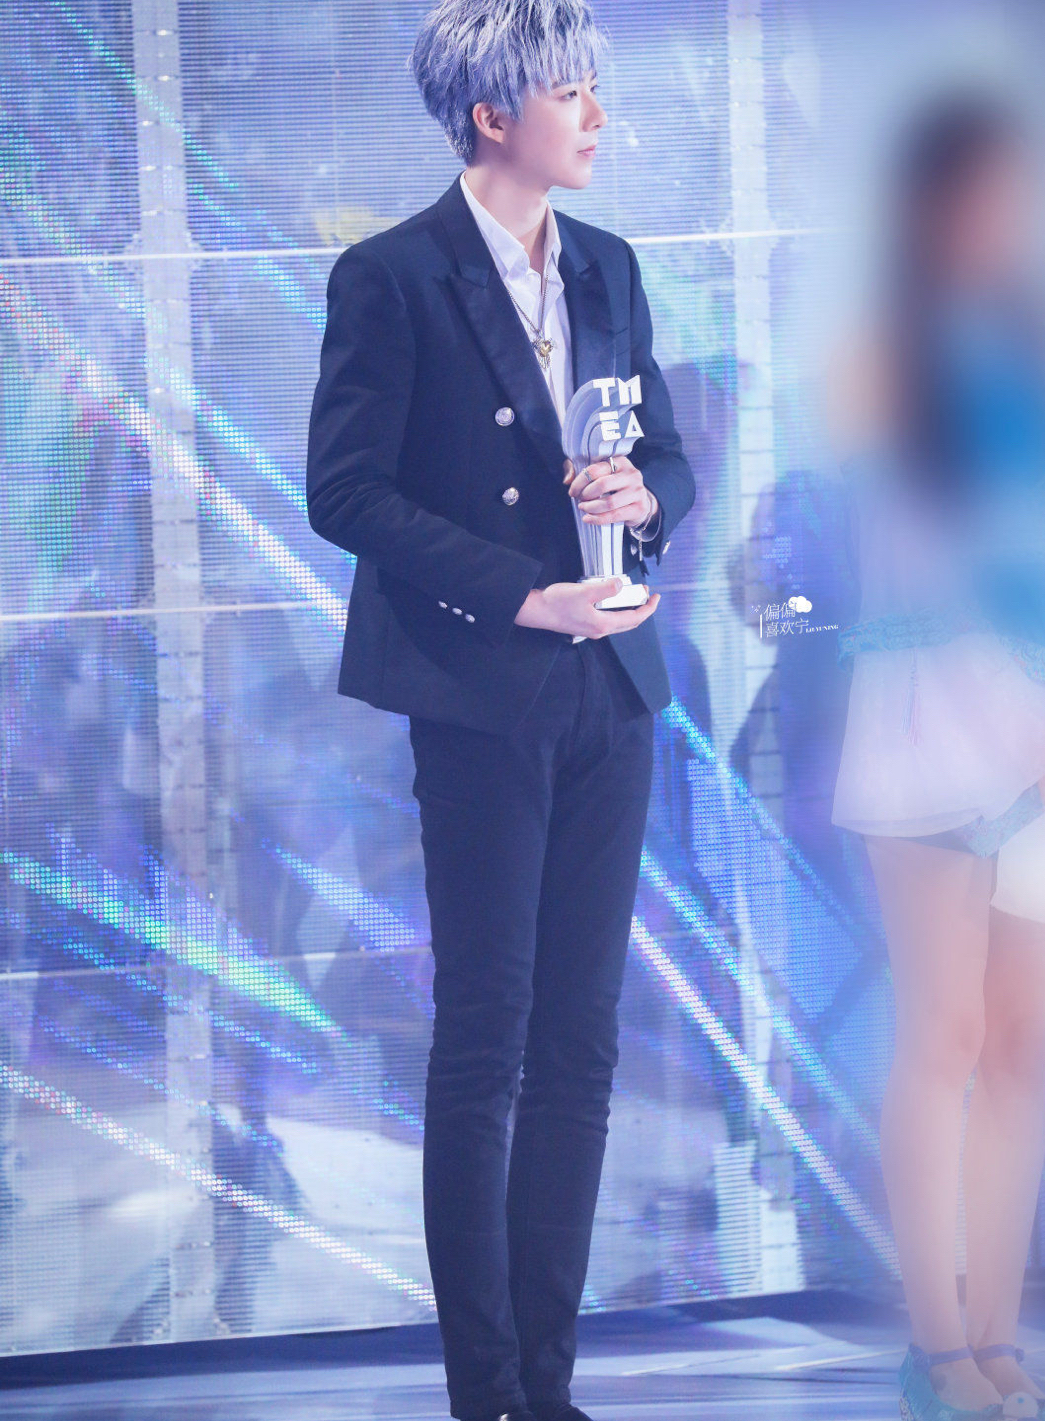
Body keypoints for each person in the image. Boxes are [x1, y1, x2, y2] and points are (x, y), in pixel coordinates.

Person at [305, 3, 695, 1418]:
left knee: (582, 1046)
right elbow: (345, 491)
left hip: (612, 686)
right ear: (491, 115)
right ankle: (487, 1393)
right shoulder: (391, 275)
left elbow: (666, 457)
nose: (595, 115)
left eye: (594, 88)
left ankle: (550, 1384)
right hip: (481, 689)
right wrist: (524, 595)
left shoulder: (608, 263)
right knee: (487, 1041)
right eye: (570, 91)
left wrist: (641, 498)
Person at [830, 93, 1045, 1421]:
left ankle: (994, 1331)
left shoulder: (1031, 350)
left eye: (1012, 193)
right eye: (977, 191)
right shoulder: (884, 355)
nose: (1000, 218)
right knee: (947, 1033)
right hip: (934, 722)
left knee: (1025, 1040)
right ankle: (935, 1345)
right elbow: (919, 560)